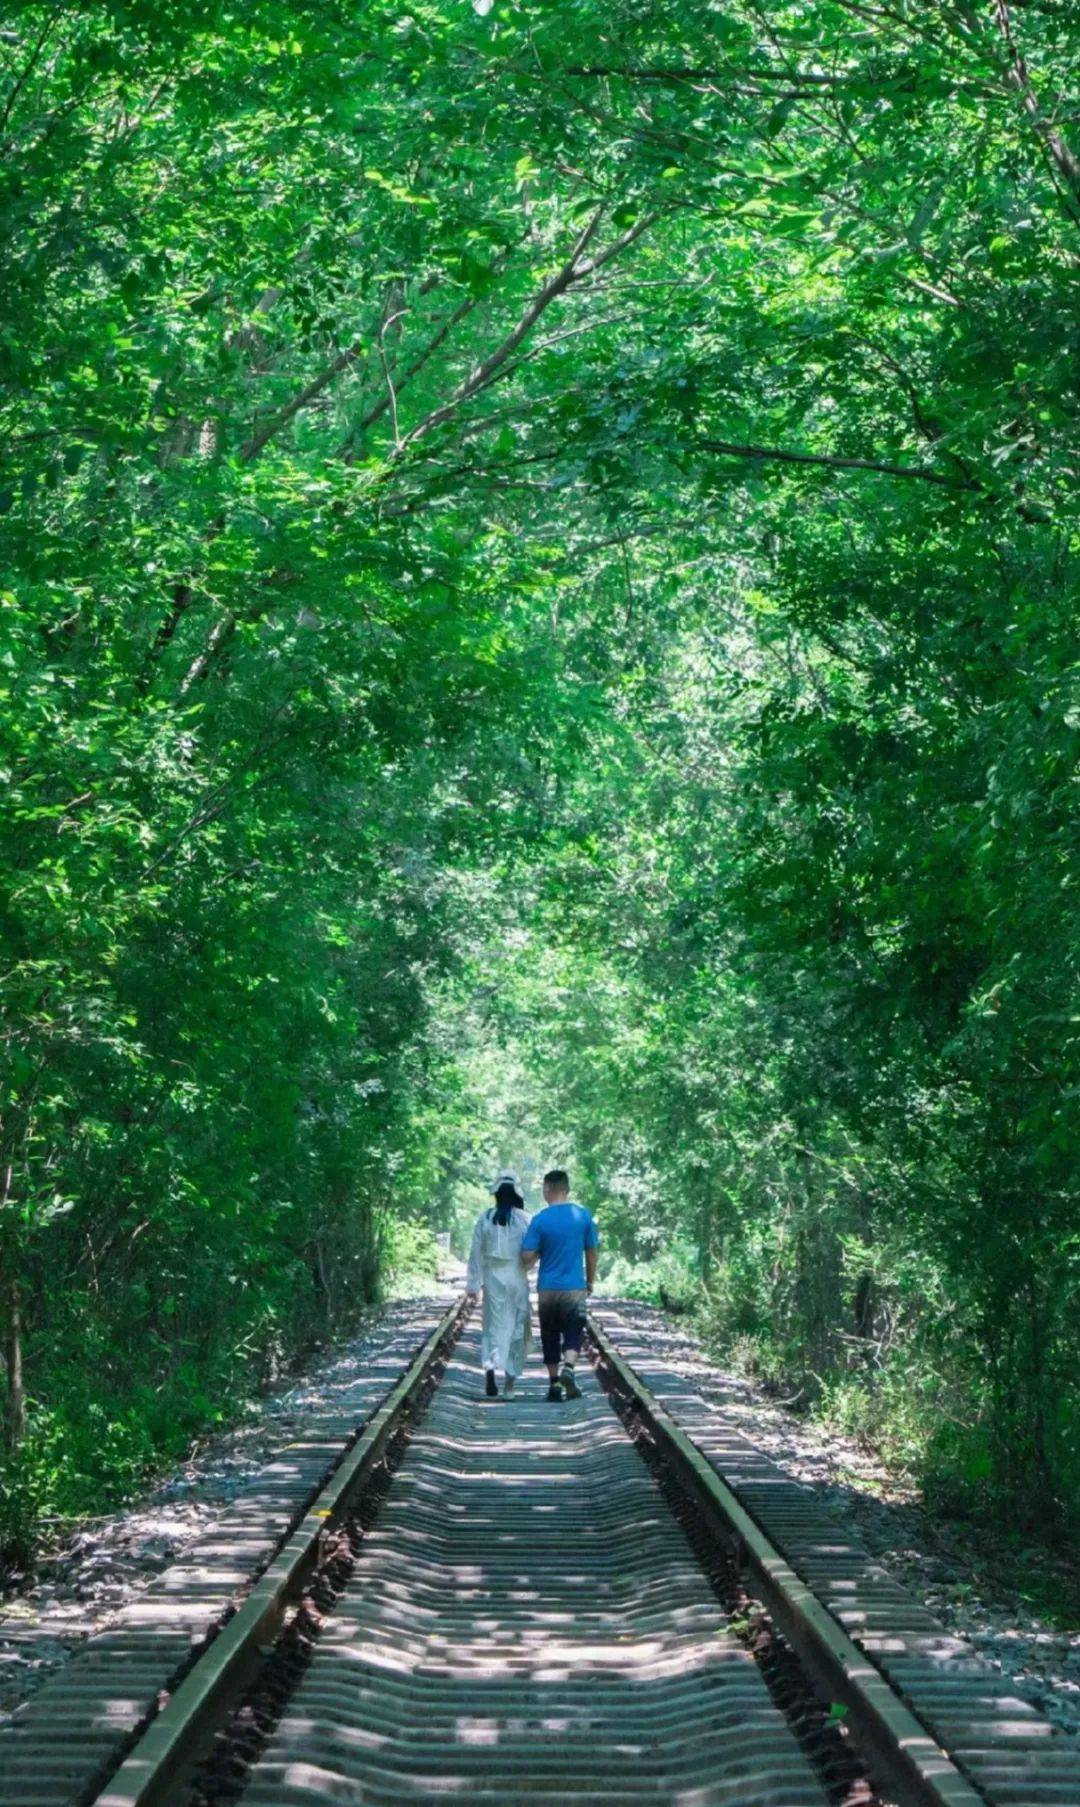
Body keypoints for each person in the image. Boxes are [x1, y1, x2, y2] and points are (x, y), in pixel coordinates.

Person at [520, 1168, 599, 1402]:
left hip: (547, 1288)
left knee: (550, 1334)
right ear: (567, 1189)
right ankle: (570, 1368)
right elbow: (592, 1252)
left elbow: (526, 1257)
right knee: (574, 1330)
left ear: (547, 1189)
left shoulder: (540, 1220)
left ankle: (554, 1385)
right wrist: (590, 1281)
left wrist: (540, 1252)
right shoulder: (583, 1216)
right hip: (574, 1287)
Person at [465, 1172, 532, 1398]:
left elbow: (476, 1255)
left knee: (492, 1327)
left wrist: (473, 1286)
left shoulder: (485, 1218)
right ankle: (509, 1386)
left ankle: (490, 1373)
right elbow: (533, 1251)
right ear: (516, 1195)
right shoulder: (525, 1219)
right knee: (517, 1327)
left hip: (493, 1279)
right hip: (517, 1277)